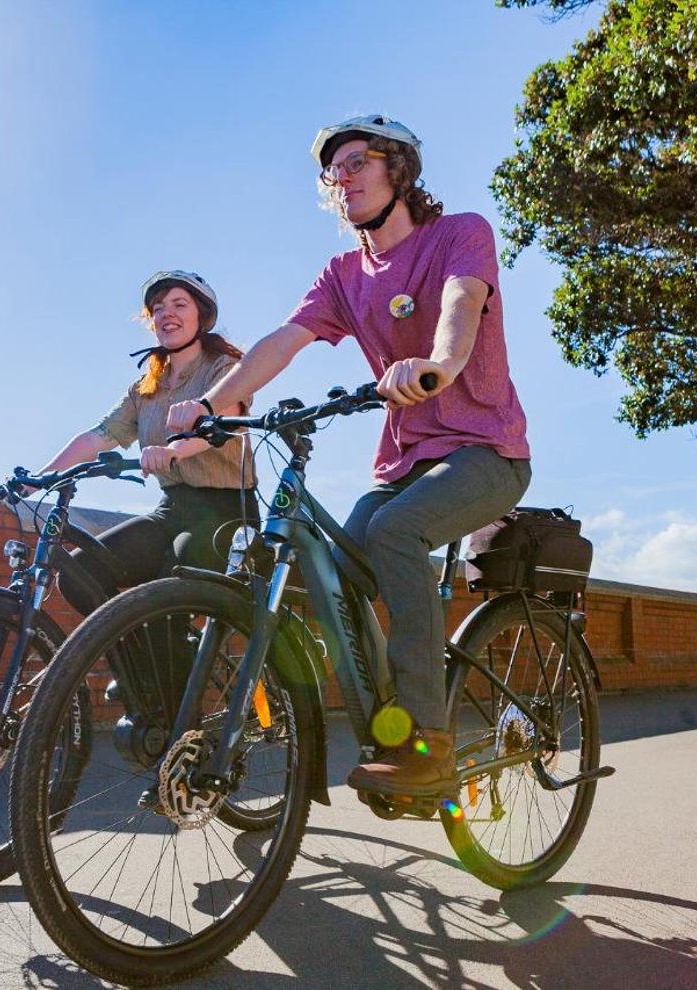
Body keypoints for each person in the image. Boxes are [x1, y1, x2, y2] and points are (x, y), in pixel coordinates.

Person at [167, 115, 531, 799]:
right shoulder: (343, 274)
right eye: (334, 170)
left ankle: (428, 742)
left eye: (359, 161)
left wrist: (440, 363)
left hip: (487, 451)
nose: (344, 178)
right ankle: (388, 719)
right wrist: (213, 406)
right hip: (405, 465)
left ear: (400, 169)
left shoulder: (459, 234)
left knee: (396, 531)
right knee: (330, 574)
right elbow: (283, 340)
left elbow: (462, 301)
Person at [40, 269, 258, 615]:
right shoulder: (145, 389)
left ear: (201, 316)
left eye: (179, 304)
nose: (166, 313)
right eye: (158, 308)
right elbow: (101, 435)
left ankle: (169, 663)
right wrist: (40, 478)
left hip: (226, 512)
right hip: (171, 508)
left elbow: (223, 422)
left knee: (164, 598)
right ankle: (134, 662)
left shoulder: (224, 368)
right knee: (80, 574)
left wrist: (173, 451)